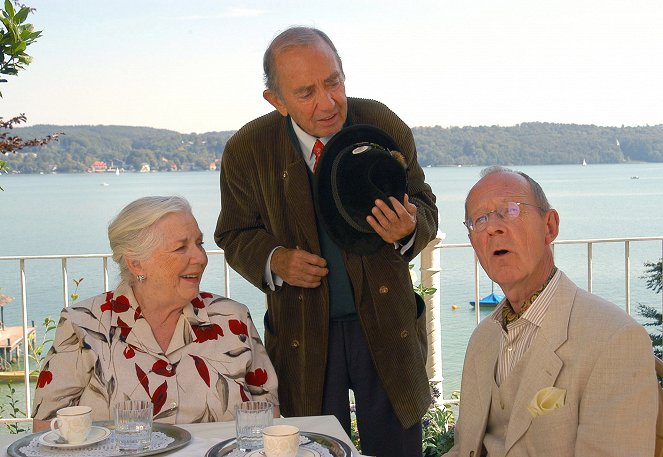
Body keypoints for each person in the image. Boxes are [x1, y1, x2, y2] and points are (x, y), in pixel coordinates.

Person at [214, 26, 438, 456]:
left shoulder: (381, 123)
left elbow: (424, 204)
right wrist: (275, 259)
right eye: (306, 92)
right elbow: (233, 233)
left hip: (387, 327)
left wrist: (410, 228)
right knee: (310, 448)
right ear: (276, 101)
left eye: (333, 82)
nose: (328, 102)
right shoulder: (247, 149)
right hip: (302, 333)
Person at [447, 166, 658, 456]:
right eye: (479, 219)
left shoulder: (615, 340)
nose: (492, 227)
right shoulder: (482, 340)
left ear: (550, 227)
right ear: (473, 243)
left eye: (510, 210)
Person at [32, 196, 278, 430]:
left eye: (199, 243)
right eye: (181, 248)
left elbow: (268, 417)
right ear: (136, 263)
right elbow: (47, 427)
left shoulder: (232, 320)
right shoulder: (83, 324)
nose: (201, 258)